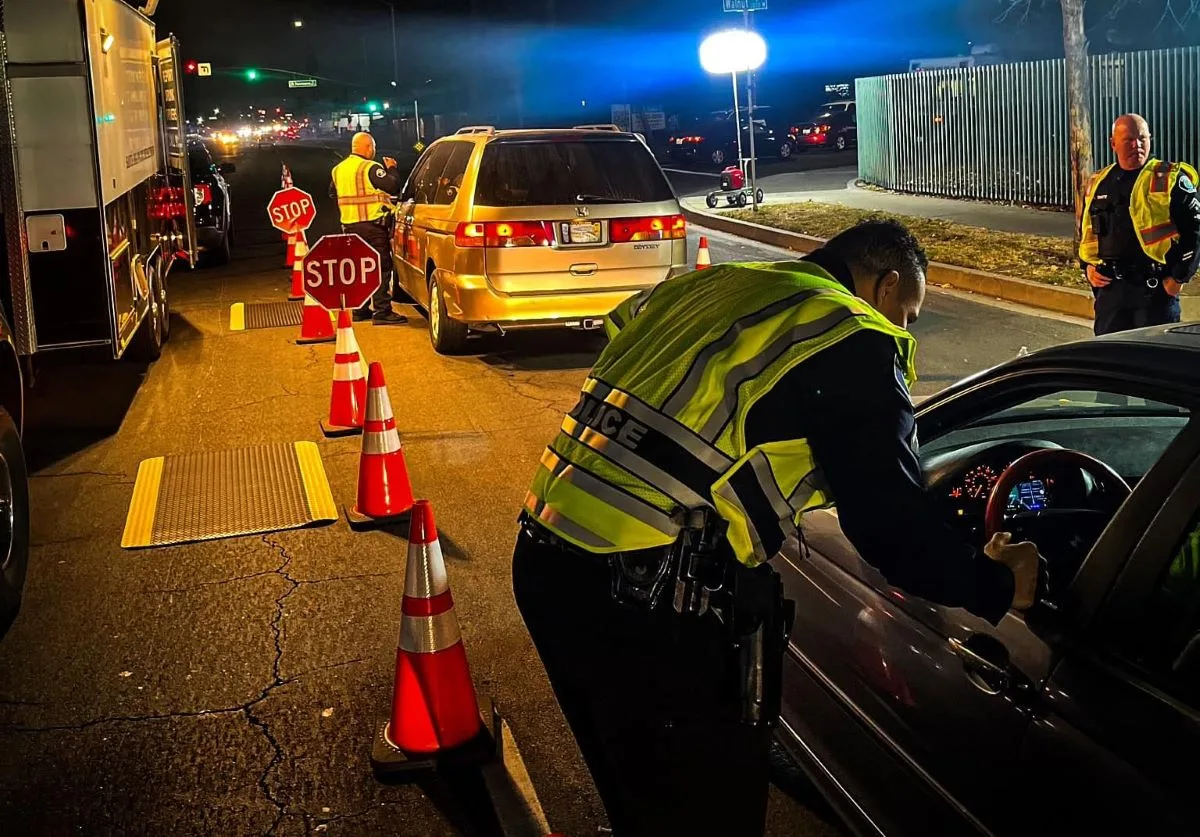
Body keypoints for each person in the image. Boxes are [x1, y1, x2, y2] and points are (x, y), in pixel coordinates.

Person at [511, 219, 1045, 837]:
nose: (902, 329)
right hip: (649, 596)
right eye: (909, 314)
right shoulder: (848, 330)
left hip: (547, 554)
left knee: (637, 789)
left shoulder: (709, 288)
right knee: (705, 810)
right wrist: (998, 585)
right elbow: (891, 526)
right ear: (886, 285)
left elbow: (640, 355)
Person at [1080, 113, 1200, 335]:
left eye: (1143, 138)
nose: (1137, 145)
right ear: (1113, 143)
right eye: (1129, 140)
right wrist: (1087, 267)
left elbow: (1195, 233)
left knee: (1156, 361)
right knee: (1111, 359)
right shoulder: (1099, 182)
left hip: (1155, 292)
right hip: (1111, 293)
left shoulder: (1170, 177)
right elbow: (1087, 232)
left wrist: (1178, 278)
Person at [328, 131, 407, 325]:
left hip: (349, 227)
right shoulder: (370, 167)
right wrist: (392, 169)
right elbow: (392, 186)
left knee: (358, 269)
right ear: (368, 148)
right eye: (373, 148)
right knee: (381, 268)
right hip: (372, 227)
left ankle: (359, 309)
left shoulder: (339, 169)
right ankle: (382, 311)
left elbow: (332, 193)